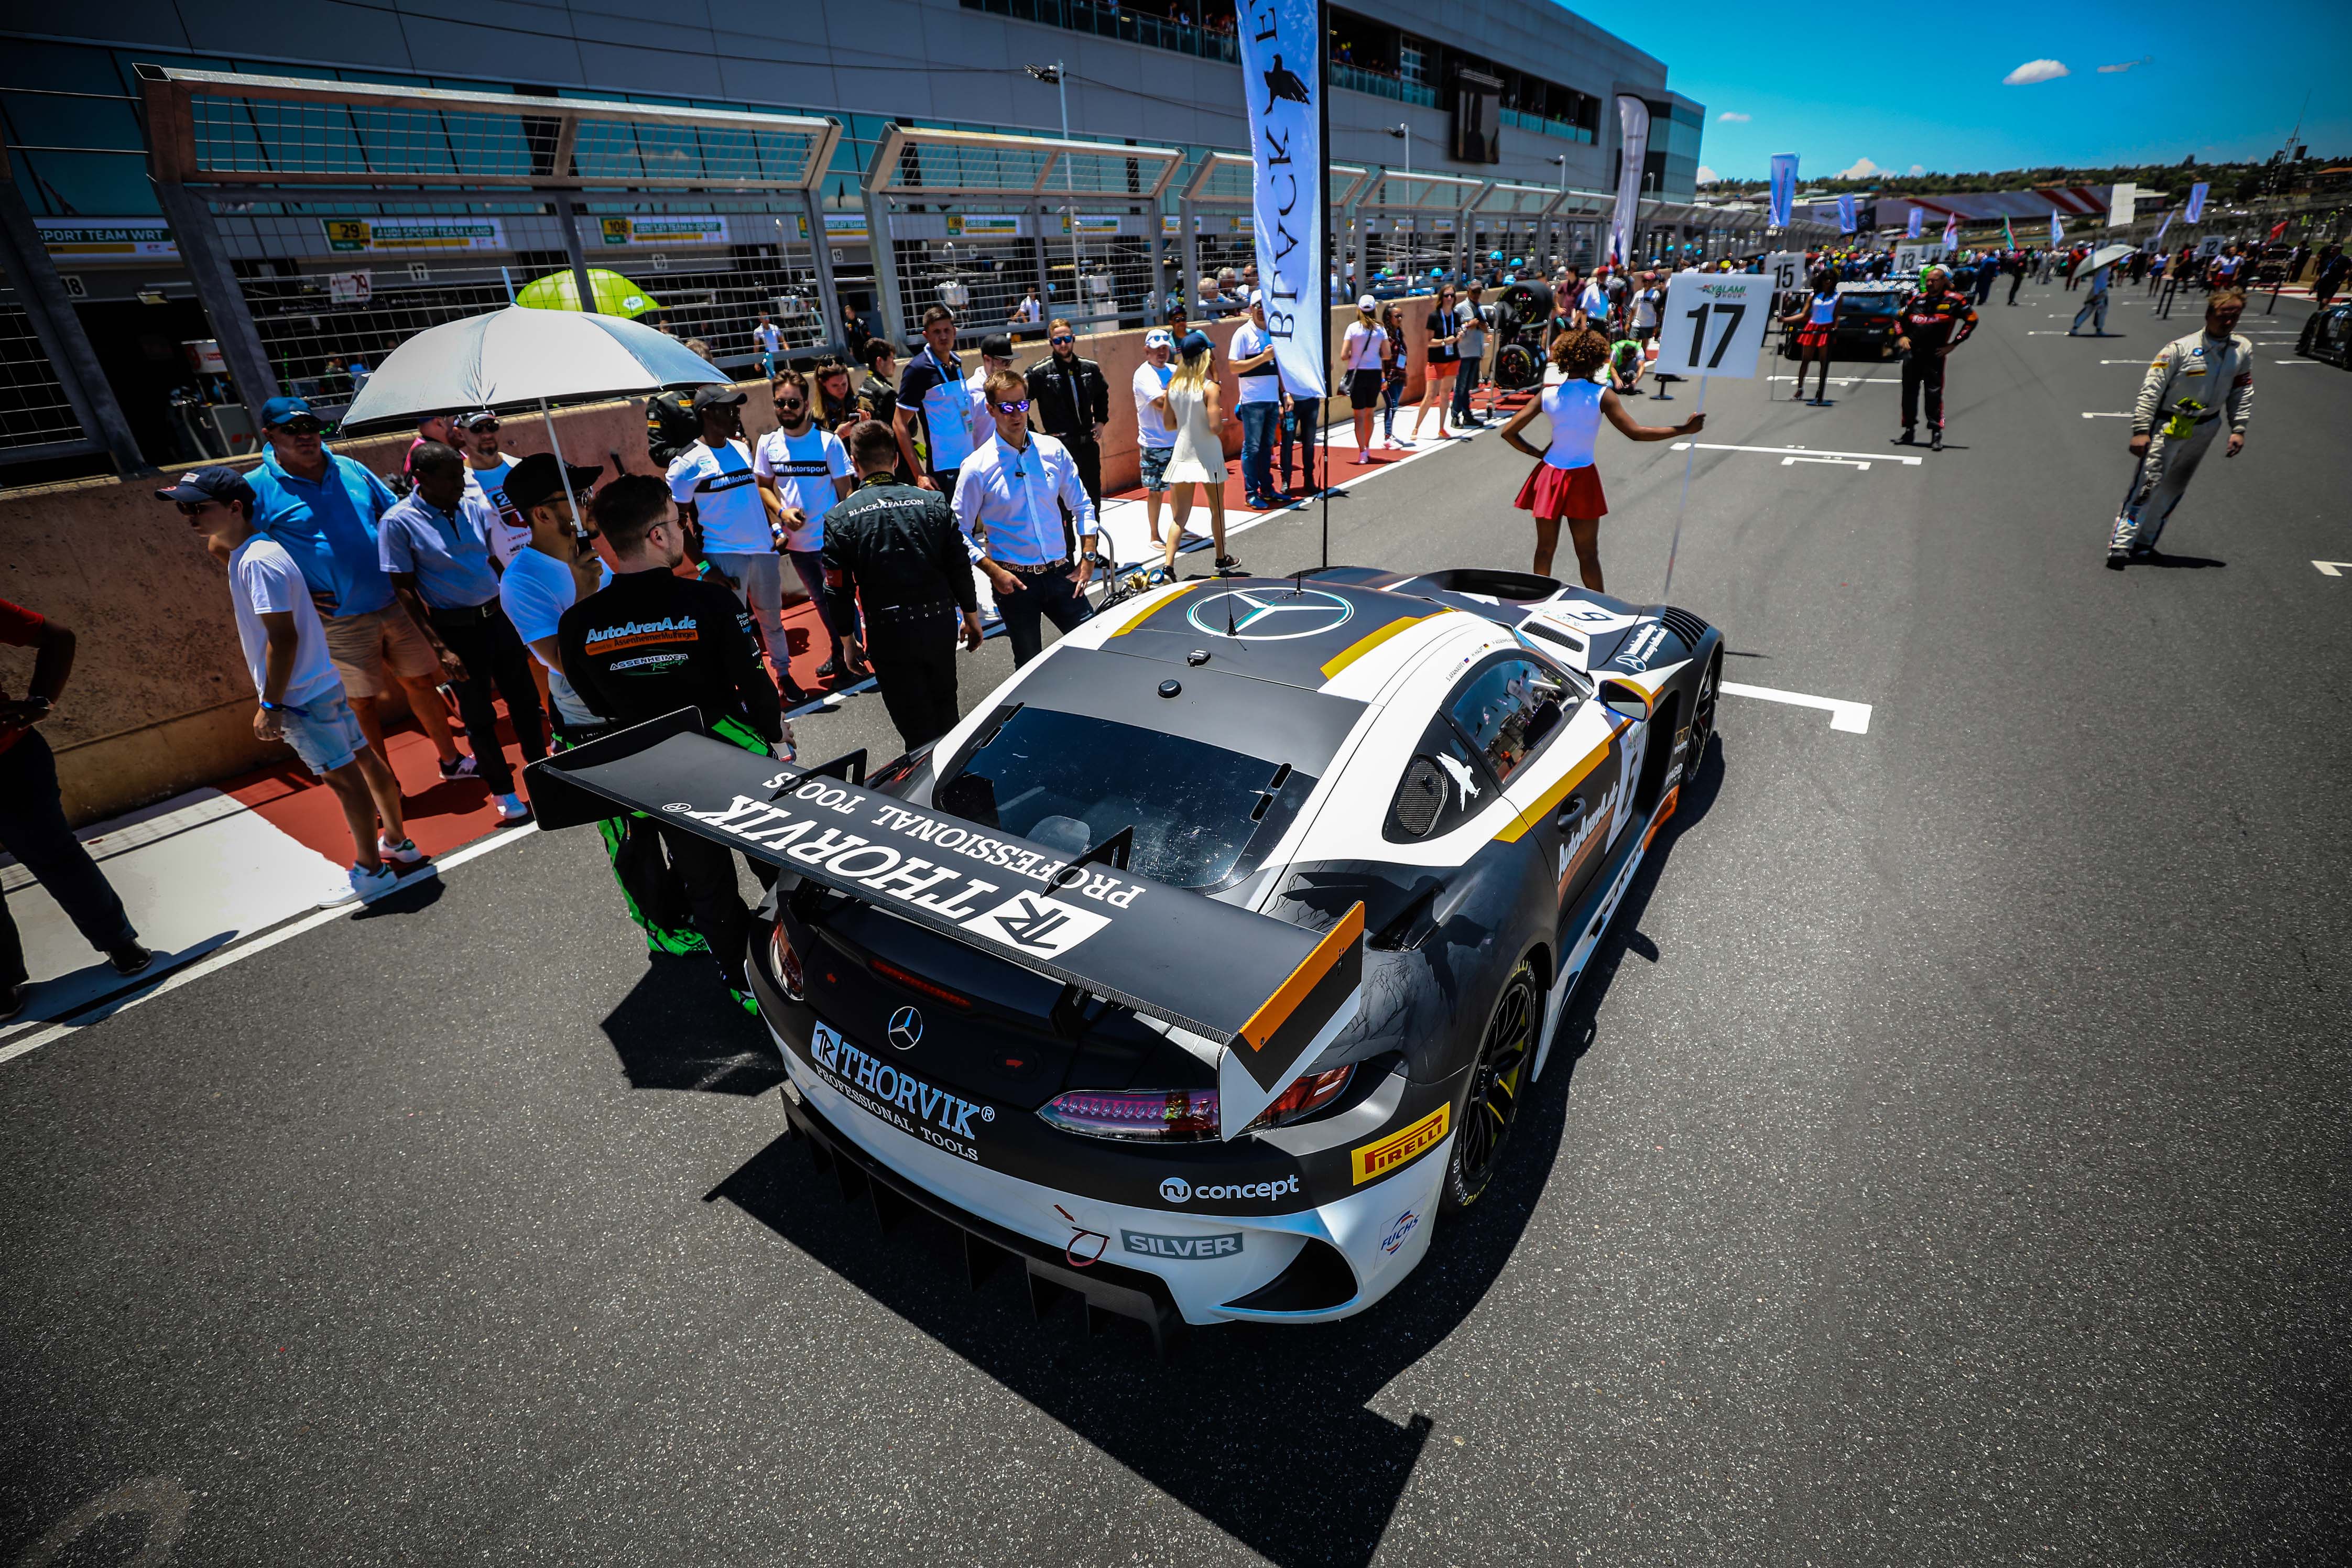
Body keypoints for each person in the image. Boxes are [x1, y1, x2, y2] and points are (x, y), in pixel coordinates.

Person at [560, 475, 789, 1012]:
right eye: (678, 519)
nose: (686, 527)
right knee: (779, 867)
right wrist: (776, 738)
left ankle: (742, 983)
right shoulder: (711, 600)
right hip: (733, 760)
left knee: (705, 884)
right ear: (658, 535)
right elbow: (756, 687)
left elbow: (595, 703)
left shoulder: (576, 624)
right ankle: (808, 961)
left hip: (659, 773)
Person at [168, 467, 420, 908]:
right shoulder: (261, 549)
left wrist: (271, 704)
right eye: (184, 509)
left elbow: (283, 638)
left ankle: (371, 871)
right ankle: (397, 842)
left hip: (301, 696)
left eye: (198, 508)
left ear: (235, 508)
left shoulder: (256, 561)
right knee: (362, 757)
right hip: (321, 682)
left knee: (344, 780)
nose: (189, 517)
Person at [247, 395, 471, 780]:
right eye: (291, 429)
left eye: (310, 427)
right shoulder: (257, 487)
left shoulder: (350, 468)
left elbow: (392, 515)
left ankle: (452, 762)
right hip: (337, 620)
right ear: (269, 435)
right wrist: (295, 595)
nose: (305, 436)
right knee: (361, 705)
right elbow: (228, 546)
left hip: (394, 603)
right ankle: (385, 785)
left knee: (422, 682)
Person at [1, 597, 151, 1019]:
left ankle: (117, 942)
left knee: (57, 856)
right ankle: (120, 945)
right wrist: (40, 702)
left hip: (11, 758)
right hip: (12, 758)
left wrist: (41, 702)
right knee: (57, 857)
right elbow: (59, 638)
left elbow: (59, 637)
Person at [379, 442, 545, 823]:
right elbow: (403, 589)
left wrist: (514, 607)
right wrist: (440, 649)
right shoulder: (398, 523)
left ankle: (542, 773)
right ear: (422, 478)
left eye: (461, 474)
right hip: (456, 631)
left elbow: (491, 560)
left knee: (524, 702)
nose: (461, 483)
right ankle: (503, 790)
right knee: (479, 715)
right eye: (452, 477)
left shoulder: (472, 506)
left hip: (498, 618)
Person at [822, 420, 984, 751]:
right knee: (947, 716)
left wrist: (848, 643)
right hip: (938, 625)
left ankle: (928, 780)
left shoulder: (840, 517)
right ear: (896, 459)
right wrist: (971, 616)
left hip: (889, 634)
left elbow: (837, 591)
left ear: (854, 464)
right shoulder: (933, 502)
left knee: (916, 732)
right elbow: (959, 565)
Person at [1498, 330, 1703, 589]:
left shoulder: (1547, 395)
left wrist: (1538, 453)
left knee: (1545, 550)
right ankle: (1601, 607)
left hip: (1549, 475)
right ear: (1596, 361)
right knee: (1588, 555)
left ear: (1564, 360)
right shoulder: (1602, 395)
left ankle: (1538, 601)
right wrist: (1683, 430)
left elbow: (1508, 432)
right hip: (1582, 478)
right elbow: (1636, 433)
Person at [666, 384, 806, 704]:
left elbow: (752, 497)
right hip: (724, 558)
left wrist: (773, 530)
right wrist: (705, 568)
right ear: (707, 414)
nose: (735, 414)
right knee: (730, 631)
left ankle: (784, 676)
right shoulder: (686, 463)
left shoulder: (742, 449)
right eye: (728, 409)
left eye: (736, 408)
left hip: (763, 554)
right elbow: (677, 524)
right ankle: (737, 691)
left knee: (773, 622)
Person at [953, 367, 1101, 666]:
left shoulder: (1053, 450)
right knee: (1030, 667)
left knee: (1096, 649)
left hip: (1062, 574)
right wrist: (994, 572)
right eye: (1006, 407)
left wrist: (1088, 558)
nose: (1017, 414)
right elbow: (958, 532)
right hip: (1014, 583)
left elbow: (1083, 505)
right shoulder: (976, 467)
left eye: (1022, 404)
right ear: (991, 410)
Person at [2107, 291, 2255, 567]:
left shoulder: (2242, 349)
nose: (2229, 321)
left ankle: (2145, 543)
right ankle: (2121, 544)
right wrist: (2141, 430)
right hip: (2169, 427)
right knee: (2149, 485)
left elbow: (2242, 391)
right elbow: (2151, 389)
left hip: (2206, 427)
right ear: (2209, 314)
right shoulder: (2179, 349)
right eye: (2223, 315)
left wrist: (2239, 428)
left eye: (2235, 315)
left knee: (2174, 487)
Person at [751, 368, 860, 683]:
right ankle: (842, 652)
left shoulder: (828, 442)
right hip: (798, 546)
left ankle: (851, 657)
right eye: (780, 403)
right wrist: (781, 513)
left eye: (793, 403)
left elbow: (846, 493)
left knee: (840, 601)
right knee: (821, 602)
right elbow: (763, 487)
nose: (786, 409)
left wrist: (847, 537)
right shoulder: (768, 443)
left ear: (807, 404)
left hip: (829, 544)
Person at [1025, 318, 1112, 512]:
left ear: (1074, 338)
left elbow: (1102, 393)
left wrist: (1100, 421)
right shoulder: (1039, 373)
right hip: (1059, 448)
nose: (1063, 344)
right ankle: (1068, 535)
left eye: (1066, 339)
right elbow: (1022, 403)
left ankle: (1093, 533)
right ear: (1051, 343)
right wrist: (1034, 436)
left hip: (1087, 445)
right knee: (1062, 507)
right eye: (1057, 341)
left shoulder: (1089, 369)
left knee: (1092, 501)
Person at [1893, 266, 1979, 450]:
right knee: (1909, 394)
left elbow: (1972, 320)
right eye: (1928, 281)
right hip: (1913, 354)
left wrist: (1954, 344)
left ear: (1943, 281)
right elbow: (1898, 318)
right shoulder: (1917, 299)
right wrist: (1902, 337)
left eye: (1935, 280)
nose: (1930, 284)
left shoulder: (1955, 300)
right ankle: (1909, 430)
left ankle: (1936, 433)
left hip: (1935, 355)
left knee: (1934, 394)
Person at [894, 305, 976, 493]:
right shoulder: (918, 369)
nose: (943, 336)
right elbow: (899, 423)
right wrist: (919, 474)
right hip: (944, 472)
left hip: (971, 464)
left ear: (955, 332)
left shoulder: (956, 363)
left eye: (947, 330)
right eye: (937, 332)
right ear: (926, 336)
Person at [450, 411, 528, 570]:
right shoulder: (459, 484)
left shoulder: (521, 467)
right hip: (507, 577)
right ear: (459, 434)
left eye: (492, 427)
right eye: (477, 429)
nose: (486, 435)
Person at [1227, 293, 1284, 509]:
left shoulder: (1274, 332)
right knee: (1252, 448)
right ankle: (1251, 493)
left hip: (1272, 399)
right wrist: (1262, 358)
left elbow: (1280, 368)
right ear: (1251, 308)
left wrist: (1284, 395)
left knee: (1267, 447)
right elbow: (1233, 367)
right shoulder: (1242, 334)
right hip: (1252, 401)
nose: (1261, 309)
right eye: (1257, 306)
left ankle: (1267, 489)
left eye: (1265, 305)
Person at [1133, 328, 1180, 546]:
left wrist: (1170, 393)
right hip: (1154, 443)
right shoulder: (1143, 375)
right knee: (1156, 491)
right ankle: (1155, 534)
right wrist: (1175, 392)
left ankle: (1180, 526)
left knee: (1180, 488)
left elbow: (1191, 396)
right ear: (1146, 351)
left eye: (1164, 349)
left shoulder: (1174, 370)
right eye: (1156, 349)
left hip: (1177, 440)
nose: (1161, 353)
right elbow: (1161, 403)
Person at [1411, 284, 1464, 441]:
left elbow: (1457, 337)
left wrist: (1459, 337)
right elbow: (1428, 342)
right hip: (1435, 361)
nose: (1450, 298)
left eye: (1452, 296)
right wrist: (1444, 342)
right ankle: (1416, 427)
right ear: (1441, 297)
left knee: (1446, 394)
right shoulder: (1434, 317)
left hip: (1453, 359)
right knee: (1430, 395)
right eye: (1447, 295)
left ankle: (1442, 428)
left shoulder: (1456, 316)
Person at [1341, 295, 1386, 465]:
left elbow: (1344, 355)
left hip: (1357, 373)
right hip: (1374, 372)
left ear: (1359, 310)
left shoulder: (1353, 328)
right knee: (1370, 413)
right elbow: (1387, 354)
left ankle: (1362, 452)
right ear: (1375, 310)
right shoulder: (1380, 330)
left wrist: (1356, 354)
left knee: (1358, 415)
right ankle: (1367, 447)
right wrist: (1373, 354)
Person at [1782, 275, 1839, 405]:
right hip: (1813, 326)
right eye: (1826, 279)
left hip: (1827, 327)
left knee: (1823, 361)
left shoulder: (1837, 296)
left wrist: (1835, 328)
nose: (1828, 282)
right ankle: (1799, 389)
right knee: (1806, 360)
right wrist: (1785, 319)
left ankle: (1820, 391)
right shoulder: (1814, 295)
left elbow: (1837, 315)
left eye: (1830, 280)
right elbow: (1803, 314)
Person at [1452, 281, 1491, 429]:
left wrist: (1481, 325)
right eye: (1474, 292)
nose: (1476, 295)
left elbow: (1486, 329)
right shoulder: (1460, 308)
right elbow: (1455, 329)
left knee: (1467, 387)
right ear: (1468, 291)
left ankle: (1467, 415)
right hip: (1464, 352)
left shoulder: (1480, 308)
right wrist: (1469, 324)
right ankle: (1455, 415)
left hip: (1476, 351)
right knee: (1460, 386)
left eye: (1479, 292)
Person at [1378, 302, 1411, 448]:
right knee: (1391, 406)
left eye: (1401, 316)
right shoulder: (1385, 337)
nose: (1400, 319)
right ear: (1389, 318)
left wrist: (1405, 375)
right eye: (1397, 316)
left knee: (1394, 406)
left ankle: (1390, 433)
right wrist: (1383, 379)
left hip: (1399, 375)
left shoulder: (1399, 334)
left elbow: (1403, 355)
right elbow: (1381, 359)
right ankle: (1387, 436)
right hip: (1389, 378)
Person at [812, 359, 861, 438]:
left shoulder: (861, 405)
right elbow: (815, 445)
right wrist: (839, 435)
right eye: (835, 385)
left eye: (844, 384)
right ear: (823, 383)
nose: (841, 389)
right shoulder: (817, 416)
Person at [2070, 259, 2113, 336]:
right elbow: (2097, 282)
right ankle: (2099, 329)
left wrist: (2107, 284)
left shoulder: (2104, 268)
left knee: (2089, 310)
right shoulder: (2104, 269)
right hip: (2100, 293)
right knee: (2101, 311)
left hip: (2099, 292)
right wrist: (2096, 294)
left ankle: (2075, 327)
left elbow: (2100, 281)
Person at [753, 312, 783, 380]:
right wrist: (756, 363)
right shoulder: (757, 331)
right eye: (764, 318)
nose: (766, 319)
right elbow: (757, 347)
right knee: (771, 378)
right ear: (760, 319)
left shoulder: (775, 328)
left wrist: (789, 353)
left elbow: (783, 341)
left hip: (778, 357)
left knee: (781, 378)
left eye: (767, 317)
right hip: (768, 358)